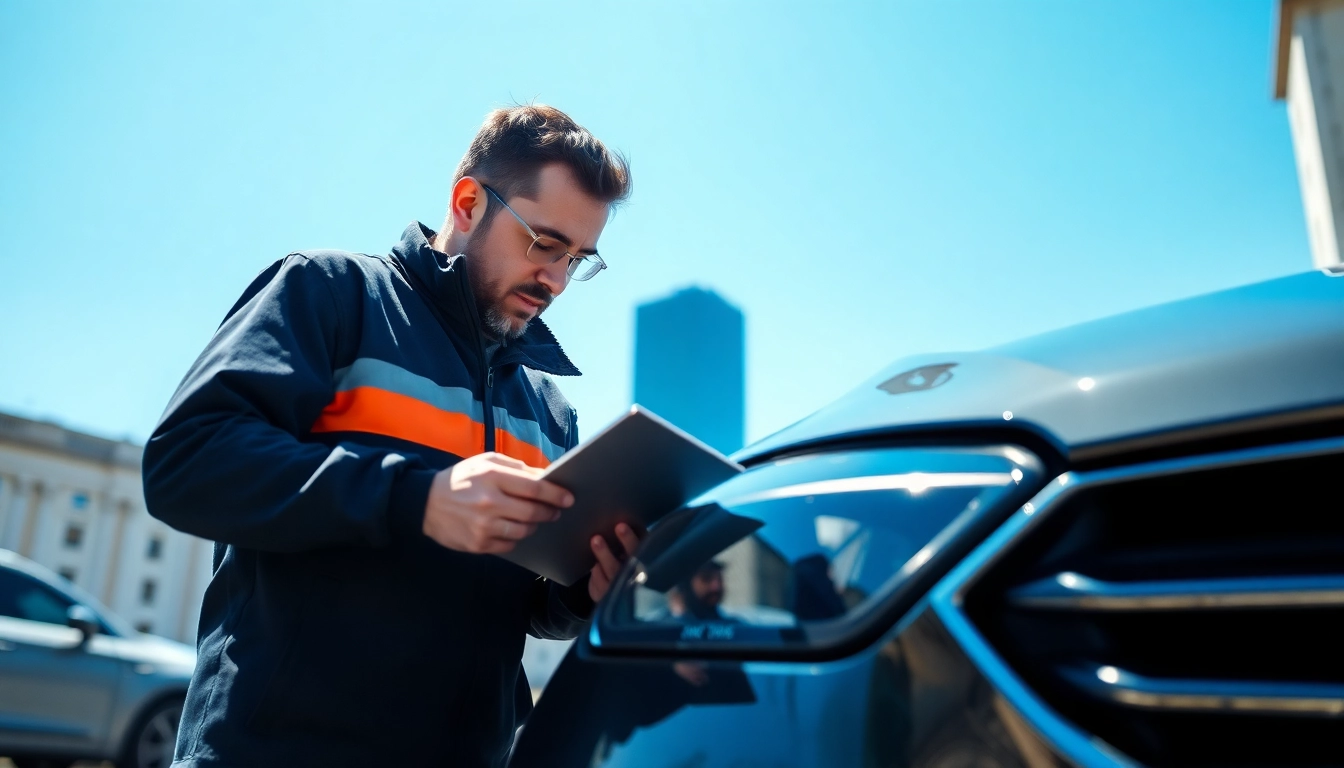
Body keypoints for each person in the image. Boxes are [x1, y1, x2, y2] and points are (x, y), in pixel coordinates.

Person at [142, 105, 639, 768]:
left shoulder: (550, 411)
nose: (555, 279)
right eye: (544, 244)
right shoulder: (330, 293)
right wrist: (416, 500)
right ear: (467, 203)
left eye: (577, 259)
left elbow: (530, 606)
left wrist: (584, 592)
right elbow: (187, 462)